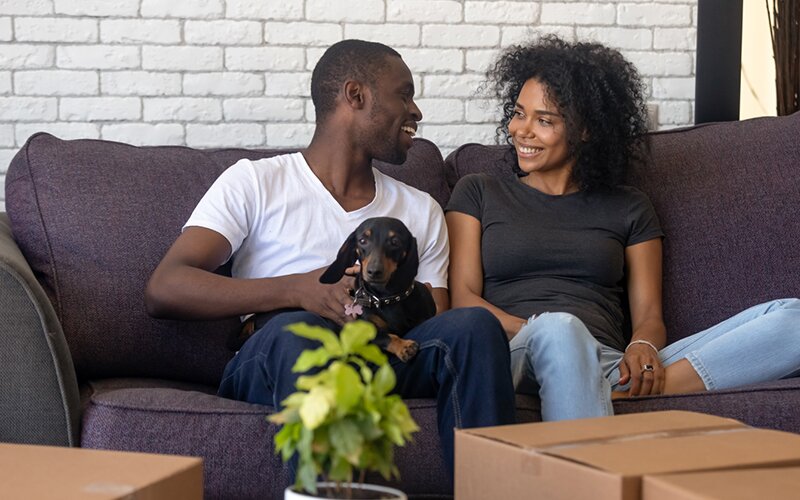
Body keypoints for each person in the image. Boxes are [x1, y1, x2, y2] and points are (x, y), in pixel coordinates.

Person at [145, 39, 516, 479]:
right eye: (404, 94)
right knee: (295, 330)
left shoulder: (419, 209)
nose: (415, 111)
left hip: (378, 355)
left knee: (474, 326)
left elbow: (435, 314)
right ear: (355, 96)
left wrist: (377, 297)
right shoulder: (255, 182)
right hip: (278, 357)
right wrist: (297, 290)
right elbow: (165, 287)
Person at [445, 34, 800, 422]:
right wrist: (547, 328)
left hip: (610, 360)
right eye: (518, 113)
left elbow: (648, 312)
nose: (521, 130)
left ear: (585, 131)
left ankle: (615, 390)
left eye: (544, 120)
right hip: (517, 349)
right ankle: (599, 447)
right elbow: (463, 300)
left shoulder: (629, 206)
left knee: (792, 318)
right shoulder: (479, 191)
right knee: (562, 331)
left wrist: (643, 346)